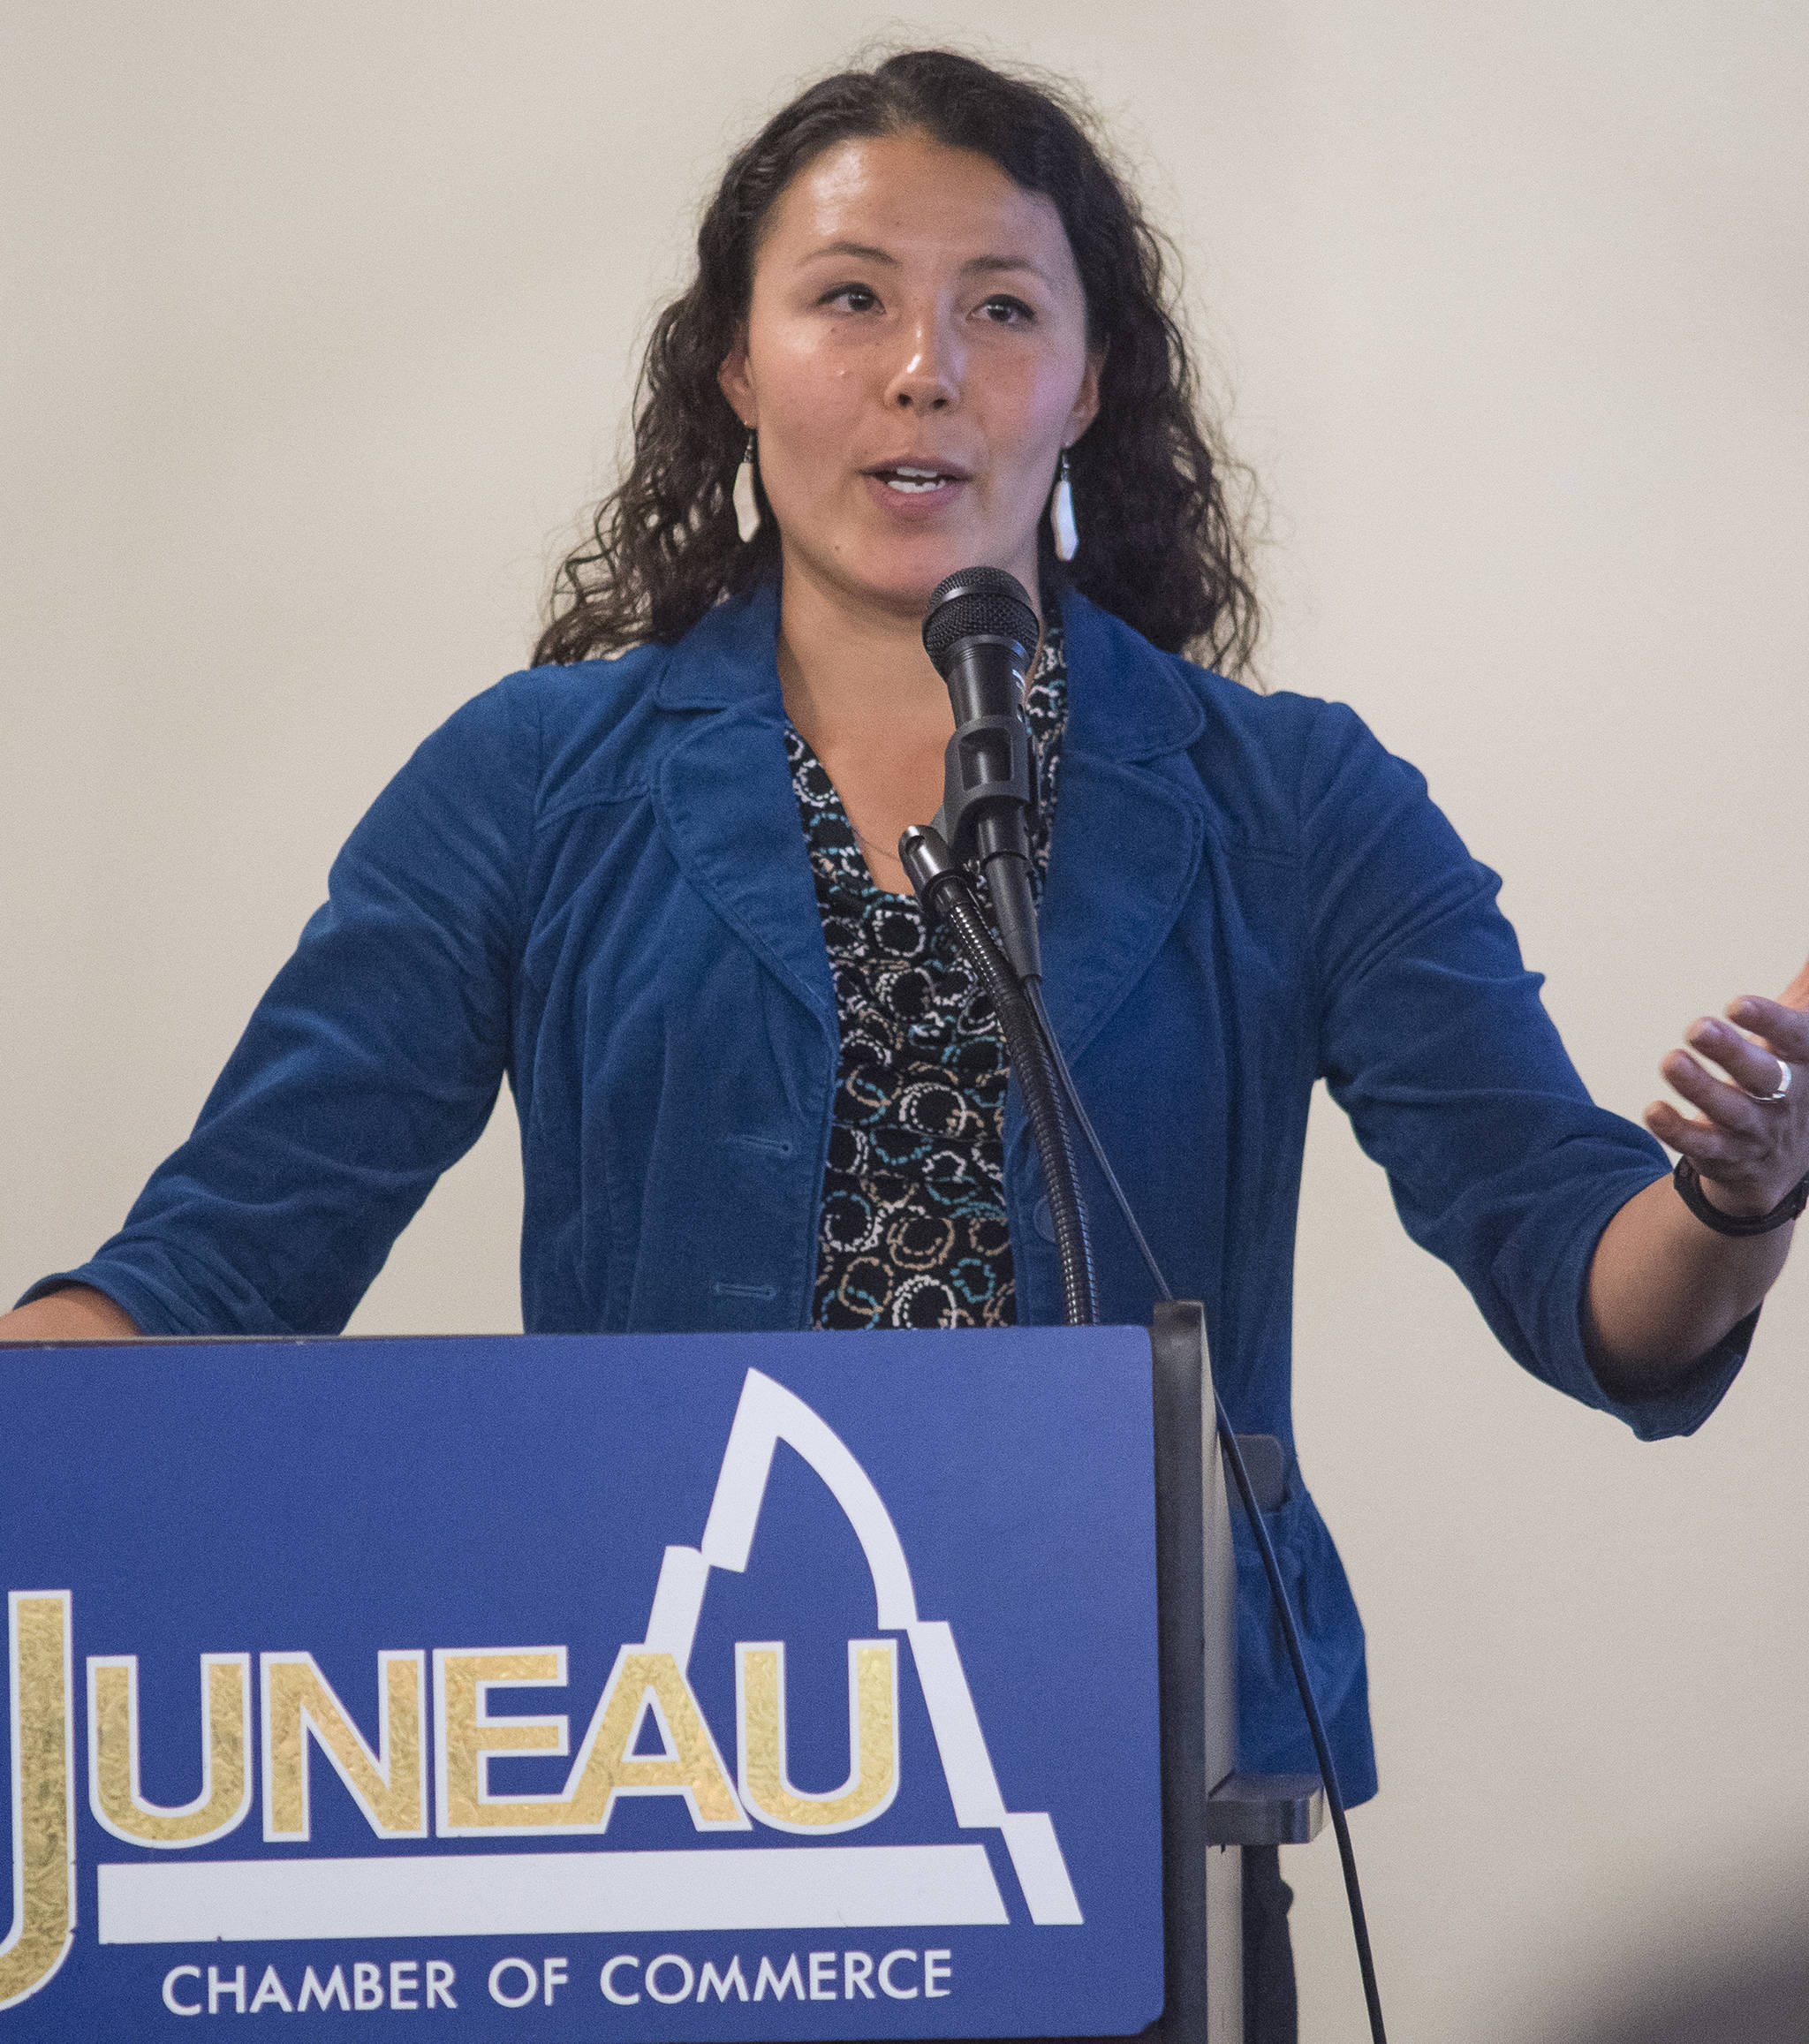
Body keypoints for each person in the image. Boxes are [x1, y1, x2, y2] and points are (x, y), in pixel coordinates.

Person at [4, 48, 1805, 2042]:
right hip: (662, 1801)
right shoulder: (528, 786)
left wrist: (1732, 1187)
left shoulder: (1285, 801)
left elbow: (1589, 1278)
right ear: (734, 362)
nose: (924, 367)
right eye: (849, 295)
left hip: (1128, 1818)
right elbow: (222, 1261)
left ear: (1091, 383)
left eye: (1002, 307)